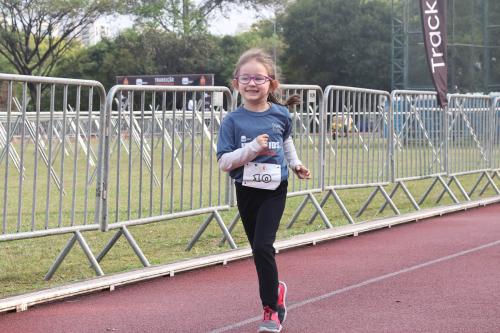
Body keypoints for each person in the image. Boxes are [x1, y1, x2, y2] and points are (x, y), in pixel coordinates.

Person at [217, 48, 311, 333]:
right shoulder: (232, 121)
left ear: (271, 83)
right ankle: (276, 291)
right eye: (245, 78)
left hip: (274, 189)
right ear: (236, 84)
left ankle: (271, 309)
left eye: (258, 78)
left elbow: (286, 142)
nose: (252, 83)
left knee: (262, 246)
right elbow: (224, 162)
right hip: (246, 189)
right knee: (258, 251)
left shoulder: (281, 114)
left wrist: (295, 164)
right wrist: (251, 149)